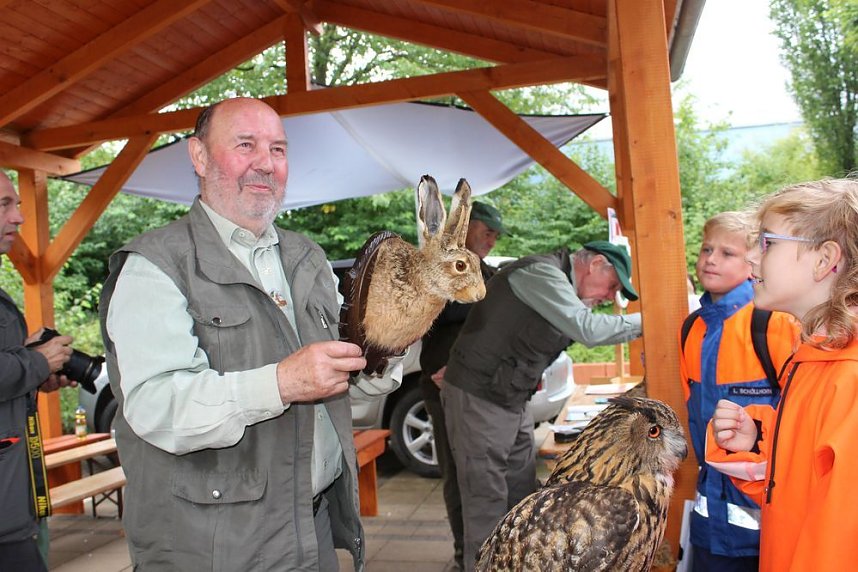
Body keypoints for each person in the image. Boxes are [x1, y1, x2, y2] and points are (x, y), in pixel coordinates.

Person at [99, 97, 401, 571]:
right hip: (212, 546)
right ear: (199, 156)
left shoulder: (308, 258)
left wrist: (390, 340)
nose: (266, 163)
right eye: (246, 145)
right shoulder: (155, 266)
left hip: (313, 527)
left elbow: (355, 379)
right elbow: (157, 406)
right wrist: (281, 383)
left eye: (278, 149)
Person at [441, 240, 643, 570]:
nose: (610, 297)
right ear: (595, 264)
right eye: (612, 286)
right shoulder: (541, 274)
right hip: (480, 398)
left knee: (522, 498)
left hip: (511, 399)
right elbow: (588, 330)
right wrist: (652, 321)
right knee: (486, 504)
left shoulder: (558, 283)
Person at [707, 178, 858, 572]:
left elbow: (839, 543)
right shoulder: (815, 358)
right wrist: (758, 441)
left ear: (825, 259)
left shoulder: (850, 378)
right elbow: (801, 493)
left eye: (767, 243)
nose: (752, 258)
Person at [679, 211, 798, 572]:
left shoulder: (774, 323)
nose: (710, 259)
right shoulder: (692, 329)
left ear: (753, 264)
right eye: (706, 249)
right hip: (709, 530)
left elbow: (797, 420)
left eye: (727, 253)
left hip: (770, 528)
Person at [419, 200, 506, 570]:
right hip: (444, 386)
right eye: (487, 232)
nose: (492, 241)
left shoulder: (491, 273)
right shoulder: (438, 265)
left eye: (496, 236)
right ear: (467, 227)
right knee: (458, 474)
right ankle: (463, 556)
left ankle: (494, 551)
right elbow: (432, 309)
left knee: (488, 474)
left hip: (486, 391)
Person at [0, 171, 74, 572]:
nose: (18, 217)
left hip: (13, 503)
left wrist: (36, 374)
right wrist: (38, 360)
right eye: (4, 205)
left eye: (16, 204)